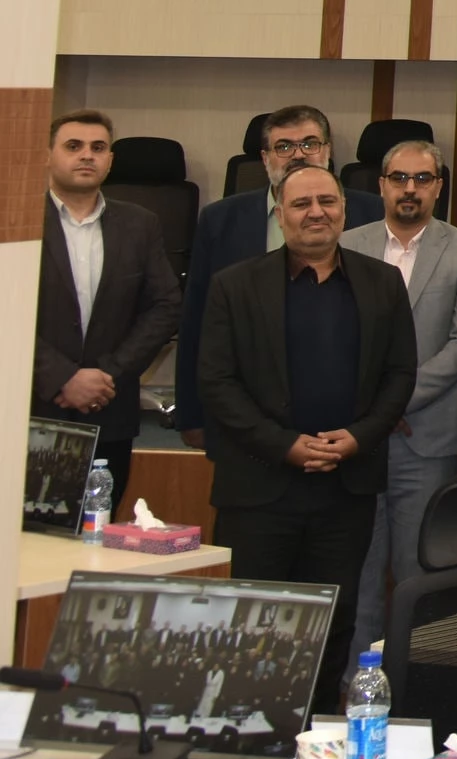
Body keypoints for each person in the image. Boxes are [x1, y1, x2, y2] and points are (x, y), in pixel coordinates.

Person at [195, 165, 417, 709]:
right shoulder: (234, 285)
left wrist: (358, 438)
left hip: (345, 489)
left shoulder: (382, 282)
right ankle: (248, 731)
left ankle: (315, 731)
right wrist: (285, 446)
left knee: (333, 622)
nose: (316, 212)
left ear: (344, 209)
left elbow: (399, 375)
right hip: (259, 489)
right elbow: (217, 383)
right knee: (252, 622)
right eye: (301, 204)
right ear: (280, 214)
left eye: (327, 201)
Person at [337, 139, 457, 659]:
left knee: (418, 576)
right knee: (358, 573)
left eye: (422, 179)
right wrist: (373, 411)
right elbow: (334, 337)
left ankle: (408, 687)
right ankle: (354, 688)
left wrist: (391, 404)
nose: (410, 189)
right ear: (381, 185)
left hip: (425, 441)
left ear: (438, 187)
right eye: (399, 178)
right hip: (357, 440)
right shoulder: (347, 244)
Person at [176, 104, 378, 439]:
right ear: (265, 157)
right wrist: (191, 414)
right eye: (284, 146)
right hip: (247, 411)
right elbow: (197, 320)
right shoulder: (220, 221)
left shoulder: (373, 213)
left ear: (327, 151)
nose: (298, 155)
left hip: (348, 410)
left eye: (309, 143)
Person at [37, 110, 179, 471]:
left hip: (109, 405)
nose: (87, 155)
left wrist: (107, 375)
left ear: (110, 160)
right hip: (29, 406)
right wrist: (62, 377)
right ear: (47, 155)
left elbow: (164, 306)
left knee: (105, 506)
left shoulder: (140, 224)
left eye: (98, 147)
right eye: (73, 146)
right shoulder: (16, 221)